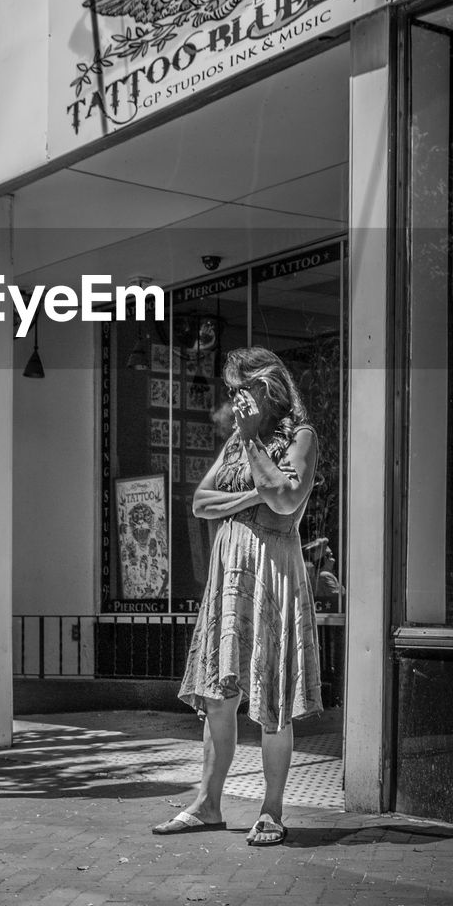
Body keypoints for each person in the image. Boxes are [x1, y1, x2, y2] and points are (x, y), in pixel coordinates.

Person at [152, 346, 322, 847]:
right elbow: (202, 502)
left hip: (271, 569)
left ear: (264, 387)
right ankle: (207, 805)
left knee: (272, 697)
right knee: (218, 695)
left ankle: (271, 811)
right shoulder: (236, 441)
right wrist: (253, 493)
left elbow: (288, 500)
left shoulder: (300, 437)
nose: (233, 400)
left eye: (238, 390)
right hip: (229, 575)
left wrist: (251, 444)